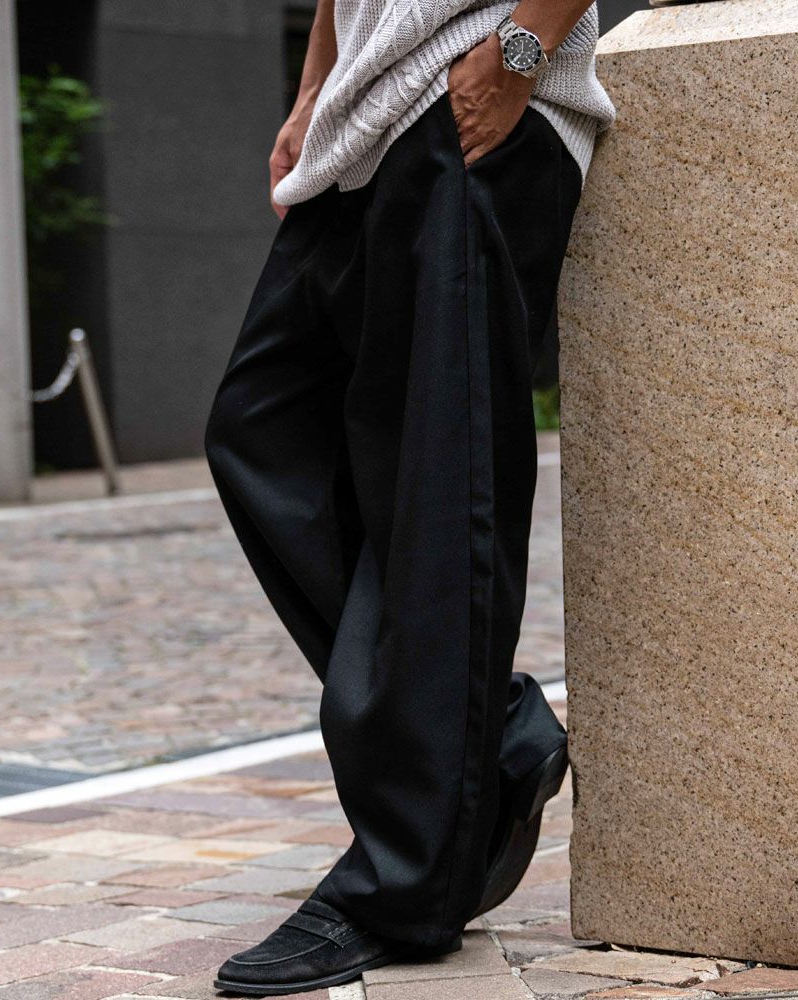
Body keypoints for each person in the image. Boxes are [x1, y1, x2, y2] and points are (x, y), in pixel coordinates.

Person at [204, 0, 615, 994]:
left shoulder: (494, 80)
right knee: (260, 427)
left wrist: (519, 53)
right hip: (365, 120)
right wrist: (314, 88)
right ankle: (481, 731)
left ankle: (405, 884)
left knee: (438, 485)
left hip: (473, 98)